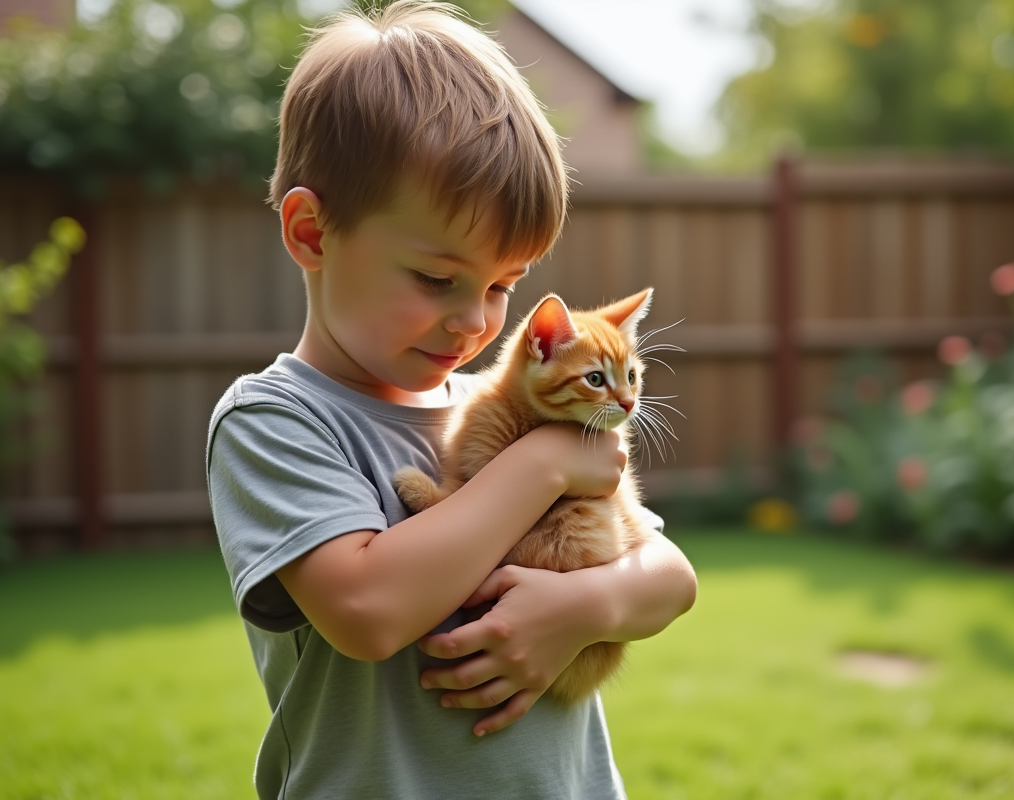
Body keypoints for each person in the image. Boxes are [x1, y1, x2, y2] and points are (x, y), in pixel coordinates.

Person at [204, 3, 697, 799]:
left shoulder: (499, 405)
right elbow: (368, 610)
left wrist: (580, 607)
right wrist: (540, 463)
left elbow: (671, 576)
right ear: (311, 233)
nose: (476, 320)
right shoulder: (276, 421)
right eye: (438, 278)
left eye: (503, 285)